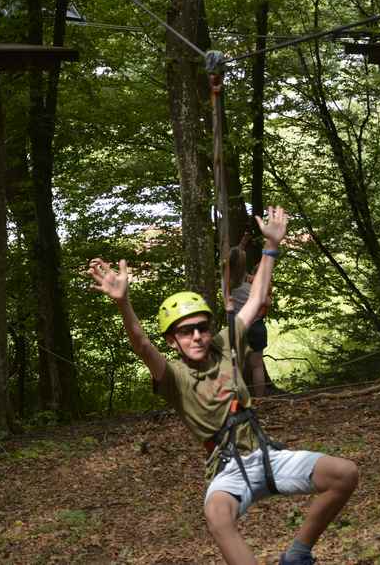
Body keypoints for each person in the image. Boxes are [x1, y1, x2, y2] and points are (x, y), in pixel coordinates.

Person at [88, 206, 358, 565]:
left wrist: (271, 247)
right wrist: (123, 303)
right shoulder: (173, 377)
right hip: (228, 468)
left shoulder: (226, 343)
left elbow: (257, 299)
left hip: (266, 456)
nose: (197, 335)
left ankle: (296, 554)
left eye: (201, 327)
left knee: (344, 474)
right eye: (186, 331)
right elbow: (140, 342)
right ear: (173, 340)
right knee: (217, 517)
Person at [228, 245, 271, 398]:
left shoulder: (227, 284)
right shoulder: (250, 288)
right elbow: (267, 301)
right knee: (257, 365)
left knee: (239, 364)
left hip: (238, 326)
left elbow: (233, 259)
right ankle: (259, 399)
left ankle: (240, 397)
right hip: (255, 326)